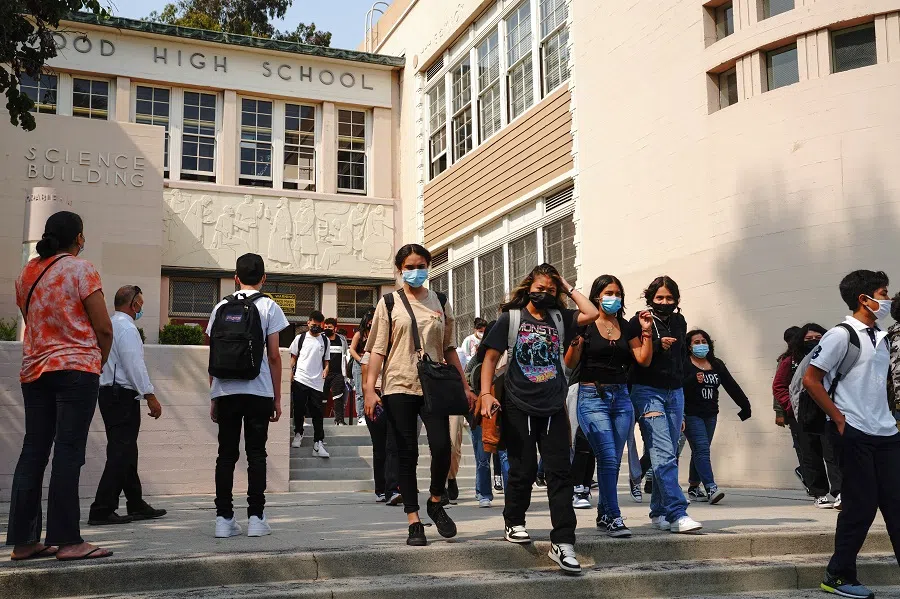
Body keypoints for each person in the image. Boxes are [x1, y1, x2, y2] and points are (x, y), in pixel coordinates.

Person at [6, 211, 114, 561]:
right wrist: (98, 361)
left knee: (33, 451)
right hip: (75, 369)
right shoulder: (81, 269)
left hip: (35, 370)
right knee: (68, 452)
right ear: (78, 238)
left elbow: (32, 321)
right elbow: (104, 328)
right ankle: (68, 541)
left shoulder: (27, 273)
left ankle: (24, 541)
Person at [480, 263, 599, 574]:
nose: (545, 294)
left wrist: (567, 285)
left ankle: (563, 542)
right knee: (523, 469)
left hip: (553, 405)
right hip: (519, 404)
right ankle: (514, 521)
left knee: (560, 473)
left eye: (551, 290)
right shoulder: (512, 318)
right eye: (540, 288)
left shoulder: (561, 318)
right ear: (528, 286)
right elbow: (490, 358)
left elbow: (592, 313)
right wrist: (485, 395)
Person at [364, 244, 475, 546]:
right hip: (398, 384)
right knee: (406, 453)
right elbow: (377, 350)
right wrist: (369, 389)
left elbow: (449, 347)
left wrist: (465, 386)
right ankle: (414, 519)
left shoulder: (441, 301)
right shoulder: (388, 303)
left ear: (428, 266)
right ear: (399, 270)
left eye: (421, 265)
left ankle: (435, 500)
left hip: (434, 384)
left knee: (442, 447)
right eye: (409, 266)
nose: (416, 271)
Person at [802, 270, 900, 599]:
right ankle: (839, 575)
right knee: (861, 506)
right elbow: (811, 379)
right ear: (864, 299)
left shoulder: (882, 337)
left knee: (897, 505)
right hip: (854, 431)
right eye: (883, 293)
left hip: (885, 432)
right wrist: (840, 419)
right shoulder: (841, 335)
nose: (886, 299)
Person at [563, 274, 654, 538]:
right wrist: (575, 341)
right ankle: (614, 516)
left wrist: (646, 331)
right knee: (607, 456)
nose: (613, 298)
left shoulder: (627, 327)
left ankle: (604, 513)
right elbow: (570, 363)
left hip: (621, 397)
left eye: (617, 293)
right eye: (608, 293)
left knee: (612, 460)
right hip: (592, 395)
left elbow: (643, 359)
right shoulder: (586, 325)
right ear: (596, 297)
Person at [207, 253, 289, 538]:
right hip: (258, 391)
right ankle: (256, 517)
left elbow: (214, 354)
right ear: (264, 278)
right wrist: (277, 398)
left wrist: (214, 395)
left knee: (225, 455)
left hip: (226, 391)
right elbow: (275, 357)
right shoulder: (269, 307)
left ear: (235, 277)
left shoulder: (220, 307)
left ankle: (223, 519)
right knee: (256, 454)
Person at [88, 285, 166, 526]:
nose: (141, 308)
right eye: (140, 304)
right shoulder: (127, 328)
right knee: (121, 452)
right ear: (134, 305)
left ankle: (135, 502)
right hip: (121, 395)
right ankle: (102, 509)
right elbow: (134, 365)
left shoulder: (109, 324)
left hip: (108, 393)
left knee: (126, 450)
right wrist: (149, 394)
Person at [629, 276, 702, 534]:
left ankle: (659, 512)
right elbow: (637, 359)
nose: (664, 302)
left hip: (675, 393)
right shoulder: (637, 321)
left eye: (669, 298)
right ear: (650, 298)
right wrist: (657, 344)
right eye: (659, 298)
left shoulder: (679, 321)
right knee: (662, 452)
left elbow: (682, 359)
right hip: (647, 391)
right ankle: (677, 512)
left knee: (669, 453)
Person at [681, 329, 752, 505]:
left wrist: (745, 405)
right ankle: (711, 487)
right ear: (689, 346)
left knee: (699, 451)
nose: (700, 345)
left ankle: (693, 487)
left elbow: (731, 385)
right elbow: (677, 387)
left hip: (711, 414)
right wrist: (692, 379)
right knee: (702, 449)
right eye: (696, 342)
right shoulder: (685, 363)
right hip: (691, 414)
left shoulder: (716, 364)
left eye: (703, 341)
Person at [774, 323, 840, 507]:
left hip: (828, 411)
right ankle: (819, 493)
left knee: (833, 452)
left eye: (818, 338)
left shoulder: (833, 357)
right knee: (809, 454)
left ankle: (839, 491)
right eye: (808, 339)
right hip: (802, 415)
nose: (813, 342)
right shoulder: (790, 360)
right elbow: (779, 386)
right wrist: (790, 408)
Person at [463, 319, 509, 508]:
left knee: (506, 456)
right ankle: (483, 493)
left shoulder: (510, 353)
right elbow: (467, 381)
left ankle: (511, 492)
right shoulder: (478, 358)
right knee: (483, 457)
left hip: (505, 411)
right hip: (481, 413)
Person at [359, 310, 401, 504]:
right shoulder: (369, 355)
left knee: (393, 446)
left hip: (394, 399)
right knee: (380, 448)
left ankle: (393, 488)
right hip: (376, 402)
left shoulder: (397, 353)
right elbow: (366, 383)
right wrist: (373, 397)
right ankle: (381, 489)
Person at [289, 311, 330, 458]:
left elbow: (326, 361)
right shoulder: (300, 339)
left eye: (319, 326)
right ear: (308, 323)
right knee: (299, 408)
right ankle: (298, 433)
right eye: (313, 325)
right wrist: (290, 372)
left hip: (317, 382)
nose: (316, 328)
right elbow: (293, 358)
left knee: (318, 413)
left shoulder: (325, 341)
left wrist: (326, 370)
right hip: (300, 378)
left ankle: (318, 442)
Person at [775, 326, 806, 489]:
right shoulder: (786, 360)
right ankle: (806, 474)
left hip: (813, 408)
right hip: (793, 409)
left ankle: (806, 471)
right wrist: (781, 411)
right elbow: (779, 387)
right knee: (800, 444)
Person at [349, 310, 374, 425]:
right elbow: (352, 349)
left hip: (372, 364)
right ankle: (360, 416)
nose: (372, 323)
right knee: (360, 391)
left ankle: (371, 414)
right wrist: (360, 360)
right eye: (370, 321)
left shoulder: (375, 334)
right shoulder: (359, 334)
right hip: (359, 364)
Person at [323, 318, 350, 425]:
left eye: (329, 327)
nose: (327, 329)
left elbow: (346, 355)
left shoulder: (341, 340)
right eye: (325, 327)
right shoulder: (321, 339)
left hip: (338, 374)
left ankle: (339, 420)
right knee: (320, 398)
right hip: (322, 373)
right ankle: (315, 419)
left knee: (338, 397)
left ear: (335, 328)